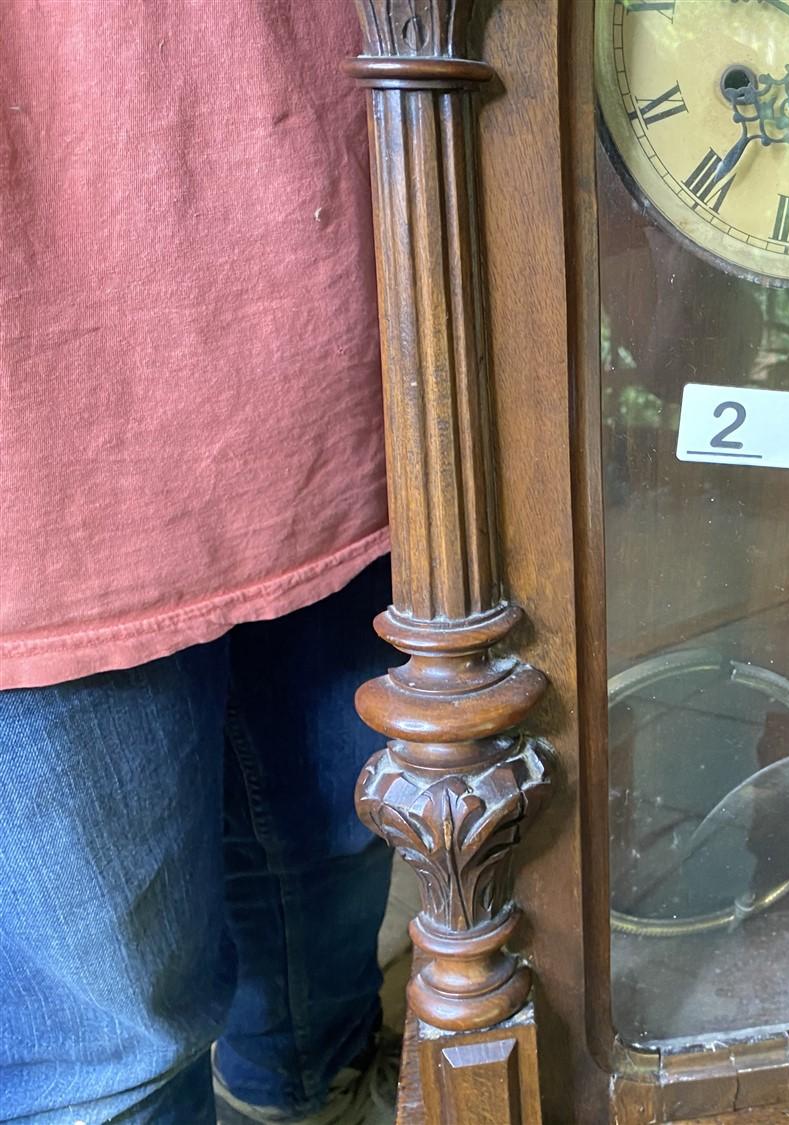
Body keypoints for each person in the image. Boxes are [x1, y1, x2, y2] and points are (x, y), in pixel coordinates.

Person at [0, 4, 397, 1122]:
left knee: (332, 863)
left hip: (330, 318)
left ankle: (309, 1101)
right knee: (102, 1061)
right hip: (38, 453)